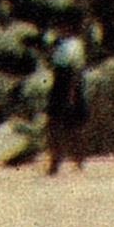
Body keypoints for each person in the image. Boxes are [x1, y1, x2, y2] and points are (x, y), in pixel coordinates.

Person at [46, 29, 90, 172]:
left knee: (70, 126)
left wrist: (71, 93)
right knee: (57, 125)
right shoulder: (59, 43)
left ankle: (75, 160)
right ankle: (57, 160)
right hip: (60, 83)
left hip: (68, 84)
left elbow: (74, 70)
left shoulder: (73, 45)